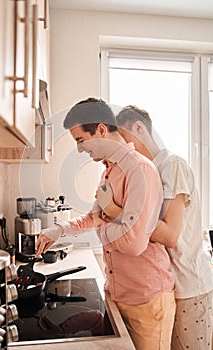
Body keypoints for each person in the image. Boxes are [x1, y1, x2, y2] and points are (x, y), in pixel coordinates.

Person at [36, 98, 176, 349]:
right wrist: (59, 230)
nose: (79, 149)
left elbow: (133, 244)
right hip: (119, 294)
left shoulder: (140, 170)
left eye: (80, 140)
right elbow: (94, 216)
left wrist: (101, 223)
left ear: (101, 130)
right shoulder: (108, 171)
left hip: (147, 300)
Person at [113, 104, 213, 350]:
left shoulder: (172, 164)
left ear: (139, 128)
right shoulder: (149, 172)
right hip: (169, 286)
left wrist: (117, 211)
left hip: (189, 286)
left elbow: (169, 235)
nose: (124, 149)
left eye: (125, 139)